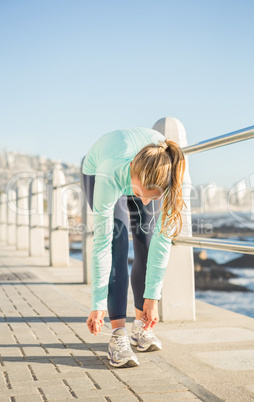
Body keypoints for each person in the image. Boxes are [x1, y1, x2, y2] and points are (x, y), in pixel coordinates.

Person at [82, 127, 186, 368]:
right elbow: (101, 245)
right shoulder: (110, 174)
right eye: (141, 194)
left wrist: (153, 298)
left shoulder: (168, 172)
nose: (146, 201)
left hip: (143, 172)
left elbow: (163, 242)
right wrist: (96, 305)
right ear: (132, 176)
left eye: (153, 197)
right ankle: (118, 337)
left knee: (147, 239)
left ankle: (141, 326)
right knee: (117, 243)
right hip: (100, 169)